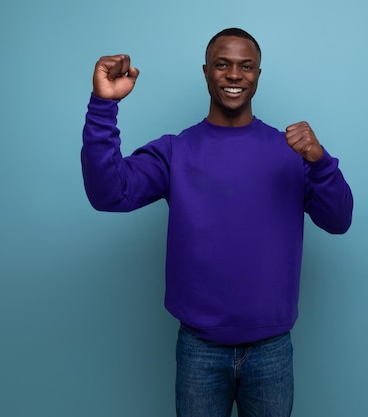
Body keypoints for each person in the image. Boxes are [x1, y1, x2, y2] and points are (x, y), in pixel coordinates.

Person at [81, 27, 353, 417]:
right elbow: (108, 193)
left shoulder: (292, 152)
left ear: (258, 75)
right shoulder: (176, 151)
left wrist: (321, 162)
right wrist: (103, 106)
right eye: (222, 65)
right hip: (199, 349)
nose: (234, 75)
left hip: (272, 348)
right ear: (206, 72)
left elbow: (339, 219)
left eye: (246, 66)